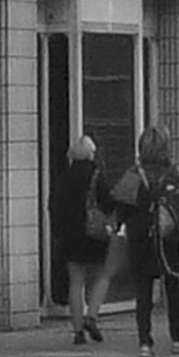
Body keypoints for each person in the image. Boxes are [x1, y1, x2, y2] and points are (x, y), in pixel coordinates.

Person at [109, 124, 179, 357]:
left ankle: (145, 343)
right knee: (172, 288)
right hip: (168, 239)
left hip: (140, 238)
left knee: (143, 292)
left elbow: (120, 209)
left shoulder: (134, 175)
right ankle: (178, 339)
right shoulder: (173, 173)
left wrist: (121, 227)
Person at [51, 133, 115, 344]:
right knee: (101, 275)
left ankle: (78, 331)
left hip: (70, 236)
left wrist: (59, 233)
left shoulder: (62, 177)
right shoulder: (96, 175)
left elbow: (53, 206)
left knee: (75, 283)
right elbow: (108, 202)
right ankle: (92, 316)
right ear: (90, 154)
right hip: (94, 235)